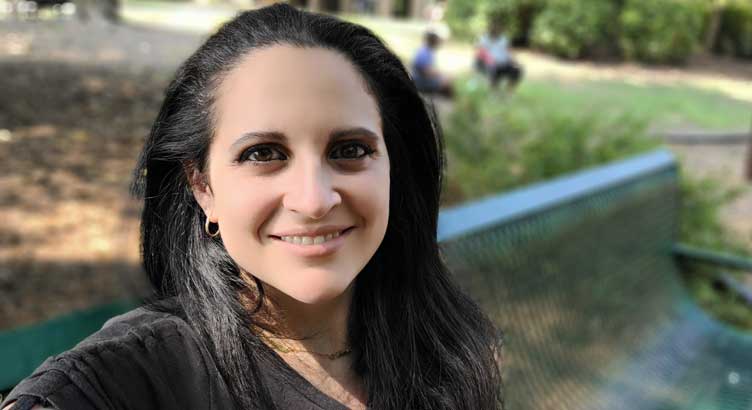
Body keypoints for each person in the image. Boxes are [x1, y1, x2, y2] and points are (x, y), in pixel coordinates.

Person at [0, 4, 501, 410]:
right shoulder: (120, 384)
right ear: (202, 186)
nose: (314, 199)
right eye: (263, 154)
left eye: (350, 150)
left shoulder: (445, 348)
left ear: (394, 166)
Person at [475, 22, 522, 92]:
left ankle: (509, 91)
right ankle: (494, 92)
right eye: (494, 28)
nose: (496, 30)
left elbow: (509, 51)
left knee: (516, 70)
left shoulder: (503, 39)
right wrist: (489, 60)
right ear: (490, 29)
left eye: (498, 28)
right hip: (490, 64)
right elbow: (480, 53)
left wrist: (514, 61)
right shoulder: (484, 39)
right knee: (493, 70)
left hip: (505, 62)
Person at [411, 30, 454, 98]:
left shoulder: (427, 51)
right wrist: (441, 76)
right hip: (420, 82)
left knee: (447, 79)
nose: (439, 43)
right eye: (437, 41)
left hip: (422, 79)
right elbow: (426, 72)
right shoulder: (424, 52)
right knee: (447, 83)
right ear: (433, 41)